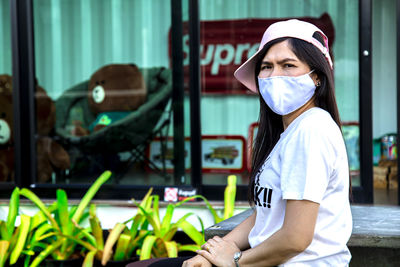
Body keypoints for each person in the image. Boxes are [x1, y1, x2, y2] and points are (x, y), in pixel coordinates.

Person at [142, 19, 352, 267]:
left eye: (288, 65)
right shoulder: (292, 132)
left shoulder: (311, 129)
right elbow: (267, 213)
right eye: (266, 67)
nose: (274, 76)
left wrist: (234, 260)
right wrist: (217, 251)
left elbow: (296, 238)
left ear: (316, 77)